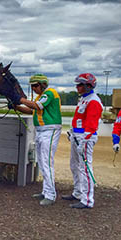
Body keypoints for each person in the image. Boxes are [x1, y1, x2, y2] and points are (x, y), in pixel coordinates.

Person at [14, 74, 62, 206]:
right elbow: (31, 111)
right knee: (42, 163)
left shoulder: (49, 93)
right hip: (41, 131)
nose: (33, 88)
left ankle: (51, 195)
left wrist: (20, 99)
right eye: (32, 86)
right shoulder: (40, 97)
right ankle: (46, 191)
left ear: (43, 84)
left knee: (47, 163)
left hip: (50, 131)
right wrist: (16, 107)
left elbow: (37, 106)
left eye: (35, 85)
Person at [62, 73, 103, 209]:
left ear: (88, 86)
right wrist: (72, 132)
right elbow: (79, 119)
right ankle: (78, 192)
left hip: (85, 138)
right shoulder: (83, 99)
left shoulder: (94, 101)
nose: (77, 87)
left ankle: (87, 200)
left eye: (80, 84)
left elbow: (91, 125)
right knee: (74, 165)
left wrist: (84, 141)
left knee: (85, 168)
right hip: (77, 136)